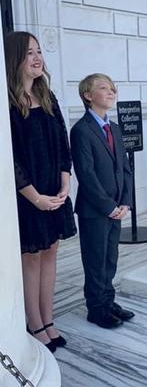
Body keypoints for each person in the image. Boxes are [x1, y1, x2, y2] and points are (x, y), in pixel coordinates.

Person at [5, 31, 77, 353]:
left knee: (51, 254)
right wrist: (35, 196)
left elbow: (63, 143)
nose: (37, 58)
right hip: (27, 197)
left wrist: (65, 182)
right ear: (15, 58)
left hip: (54, 192)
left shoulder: (48, 97)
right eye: (29, 53)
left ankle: (48, 320)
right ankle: (33, 324)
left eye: (39, 51)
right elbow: (11, 159)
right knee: (31, 259)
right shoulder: (8, 103)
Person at [70, 73, 134, 329]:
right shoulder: (81, 130)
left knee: (111, 258)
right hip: (95, 210)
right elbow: (85, 174)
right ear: (88, 95)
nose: (111, 91)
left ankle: (108, 301)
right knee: (96, 260)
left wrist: (125, 203)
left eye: (113, 88)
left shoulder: (114, 128)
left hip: (117, 208)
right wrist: (108, 206)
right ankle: (96, 308)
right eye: (103, 88)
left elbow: (125, 168)